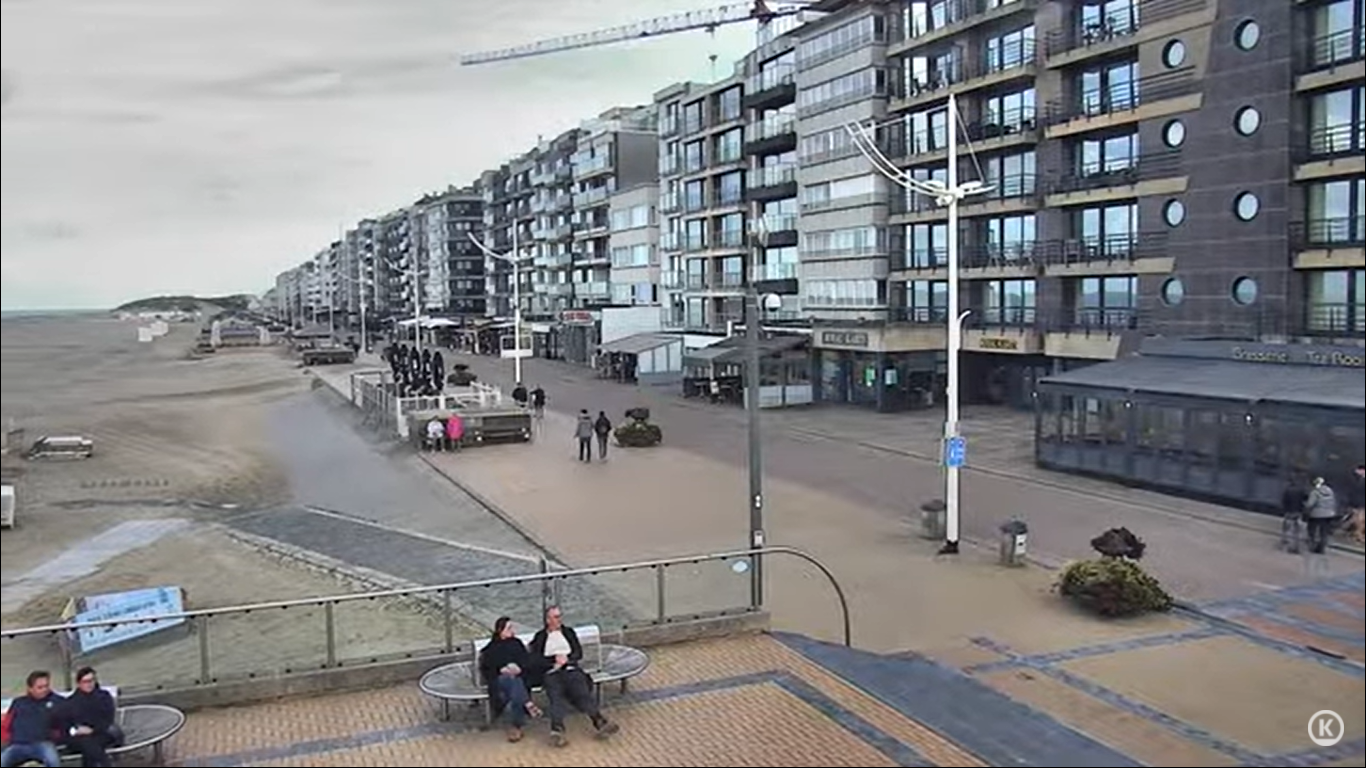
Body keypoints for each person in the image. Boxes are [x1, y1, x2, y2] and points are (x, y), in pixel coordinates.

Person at [528, 606, 618, 747]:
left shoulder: (568, 632)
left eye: (559, 616)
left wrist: (567, 658)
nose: (559, 620)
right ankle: (557, 730)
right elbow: (535, 660)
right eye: (555, 617)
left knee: (581, 691)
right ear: (548, 620)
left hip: (570, 669)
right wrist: (553, 660)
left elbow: (578, 652)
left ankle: (599, 720)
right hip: (552, 672)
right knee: (555, 697)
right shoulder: (540, 637)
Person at [478, 618, 542, 743]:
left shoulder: (516, 643)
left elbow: (527, 661)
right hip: (499, 681)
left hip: (517, 679)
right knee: (509, 679)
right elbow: (487, 670)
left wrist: (519, 668)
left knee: (515, 684)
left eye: (512, 627)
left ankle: (516, 726)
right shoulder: (491, 649)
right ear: (500, 631)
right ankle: (528, 704)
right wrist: (501, 670)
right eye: (509, 628)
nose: (512, 631)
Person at [0, 670, 64, 768]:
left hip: (43, 743)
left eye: (46, 686)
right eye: (40, 687)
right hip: (18, 745)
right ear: (30, 688)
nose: (44, 689)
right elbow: (6, 723)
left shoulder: (57, 701)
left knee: (53, 762)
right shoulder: (19, 702)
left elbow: (65, 722)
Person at [60, 667, 121, 767]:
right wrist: (75, 730)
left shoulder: (104, 697)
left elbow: (108, 719)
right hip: (78, 737)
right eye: (85, 681)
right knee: (88, 743)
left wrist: (92, 730)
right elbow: (66, 725)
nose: (89, 684)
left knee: (90, 745)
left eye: (92, 680)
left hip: (101, 733)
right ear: (79, 683)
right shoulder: (71, 702)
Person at [1305, 476, 1339, 554]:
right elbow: (1333, 503)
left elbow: (1310, 504)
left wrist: (1306, 509)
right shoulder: (1331, 492)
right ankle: (1321, 548)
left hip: (1317, 514)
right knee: (1324, 532)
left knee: (1312, 530)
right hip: (1329, 514)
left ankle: (1313, 546)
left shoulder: (1315, 492)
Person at [1279, 473, 1307, 554]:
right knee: (1297, 530)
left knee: (1286, 528)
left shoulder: (1288, 490)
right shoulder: (1302, 490)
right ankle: (1295, 547)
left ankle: (1284, 543)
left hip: (1289, 512)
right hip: (1298, 512)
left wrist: (1285, 510)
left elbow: (1284, 501)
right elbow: (1305, 500)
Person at [1347, 464, 1365, 544]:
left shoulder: (1359, 479)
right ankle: (1358, 535)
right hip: (1357, 503)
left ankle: (1358, 535)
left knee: (1359, 520)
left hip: (1360, 503)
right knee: (1358, 520)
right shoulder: (1355, 478)